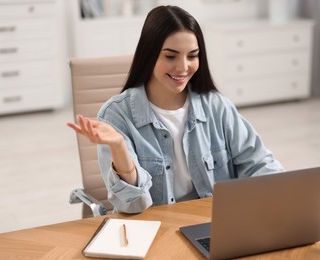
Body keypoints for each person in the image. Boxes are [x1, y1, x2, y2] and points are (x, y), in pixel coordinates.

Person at [67, 5, 284, 214]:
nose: (183, 67)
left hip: (216, 222)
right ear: (149, 54)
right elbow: (132, 205)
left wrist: (288, 194)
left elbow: (259, 163)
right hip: (155, 229)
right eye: (171, 56)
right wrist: (119, 148)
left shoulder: (216, 105)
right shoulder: (116, 115)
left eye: (192, 56)